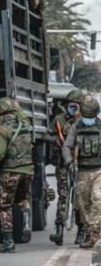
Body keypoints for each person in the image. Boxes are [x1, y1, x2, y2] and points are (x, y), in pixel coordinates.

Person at [0, 97, 33, 253]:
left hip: (10, 173)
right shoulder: (25, 125)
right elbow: (22, 114)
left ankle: (8, 242)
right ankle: (26, 223)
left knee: (4, 206)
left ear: (0, 114)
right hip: (27, 171)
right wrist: (15, 106)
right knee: (22, 199)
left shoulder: (2, 130)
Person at [63, 95, 101, 249]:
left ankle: (94, 232)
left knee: (98, 199)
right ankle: (89, 231)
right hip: (82, 171)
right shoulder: (76, 127)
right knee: (83, 204)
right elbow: (67, 146)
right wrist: (69, 161)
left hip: (99, 170)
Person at [47, 89, 84, 246]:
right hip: (63, 164)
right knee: (63, 197)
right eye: (70, 105)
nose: (72, 107)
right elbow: (48, 133)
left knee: (79, 198)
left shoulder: (86, 120)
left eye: (76, 105)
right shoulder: (59, 119)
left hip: (81, 165)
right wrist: (55, 139)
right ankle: (59, 230)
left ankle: (81, 231)